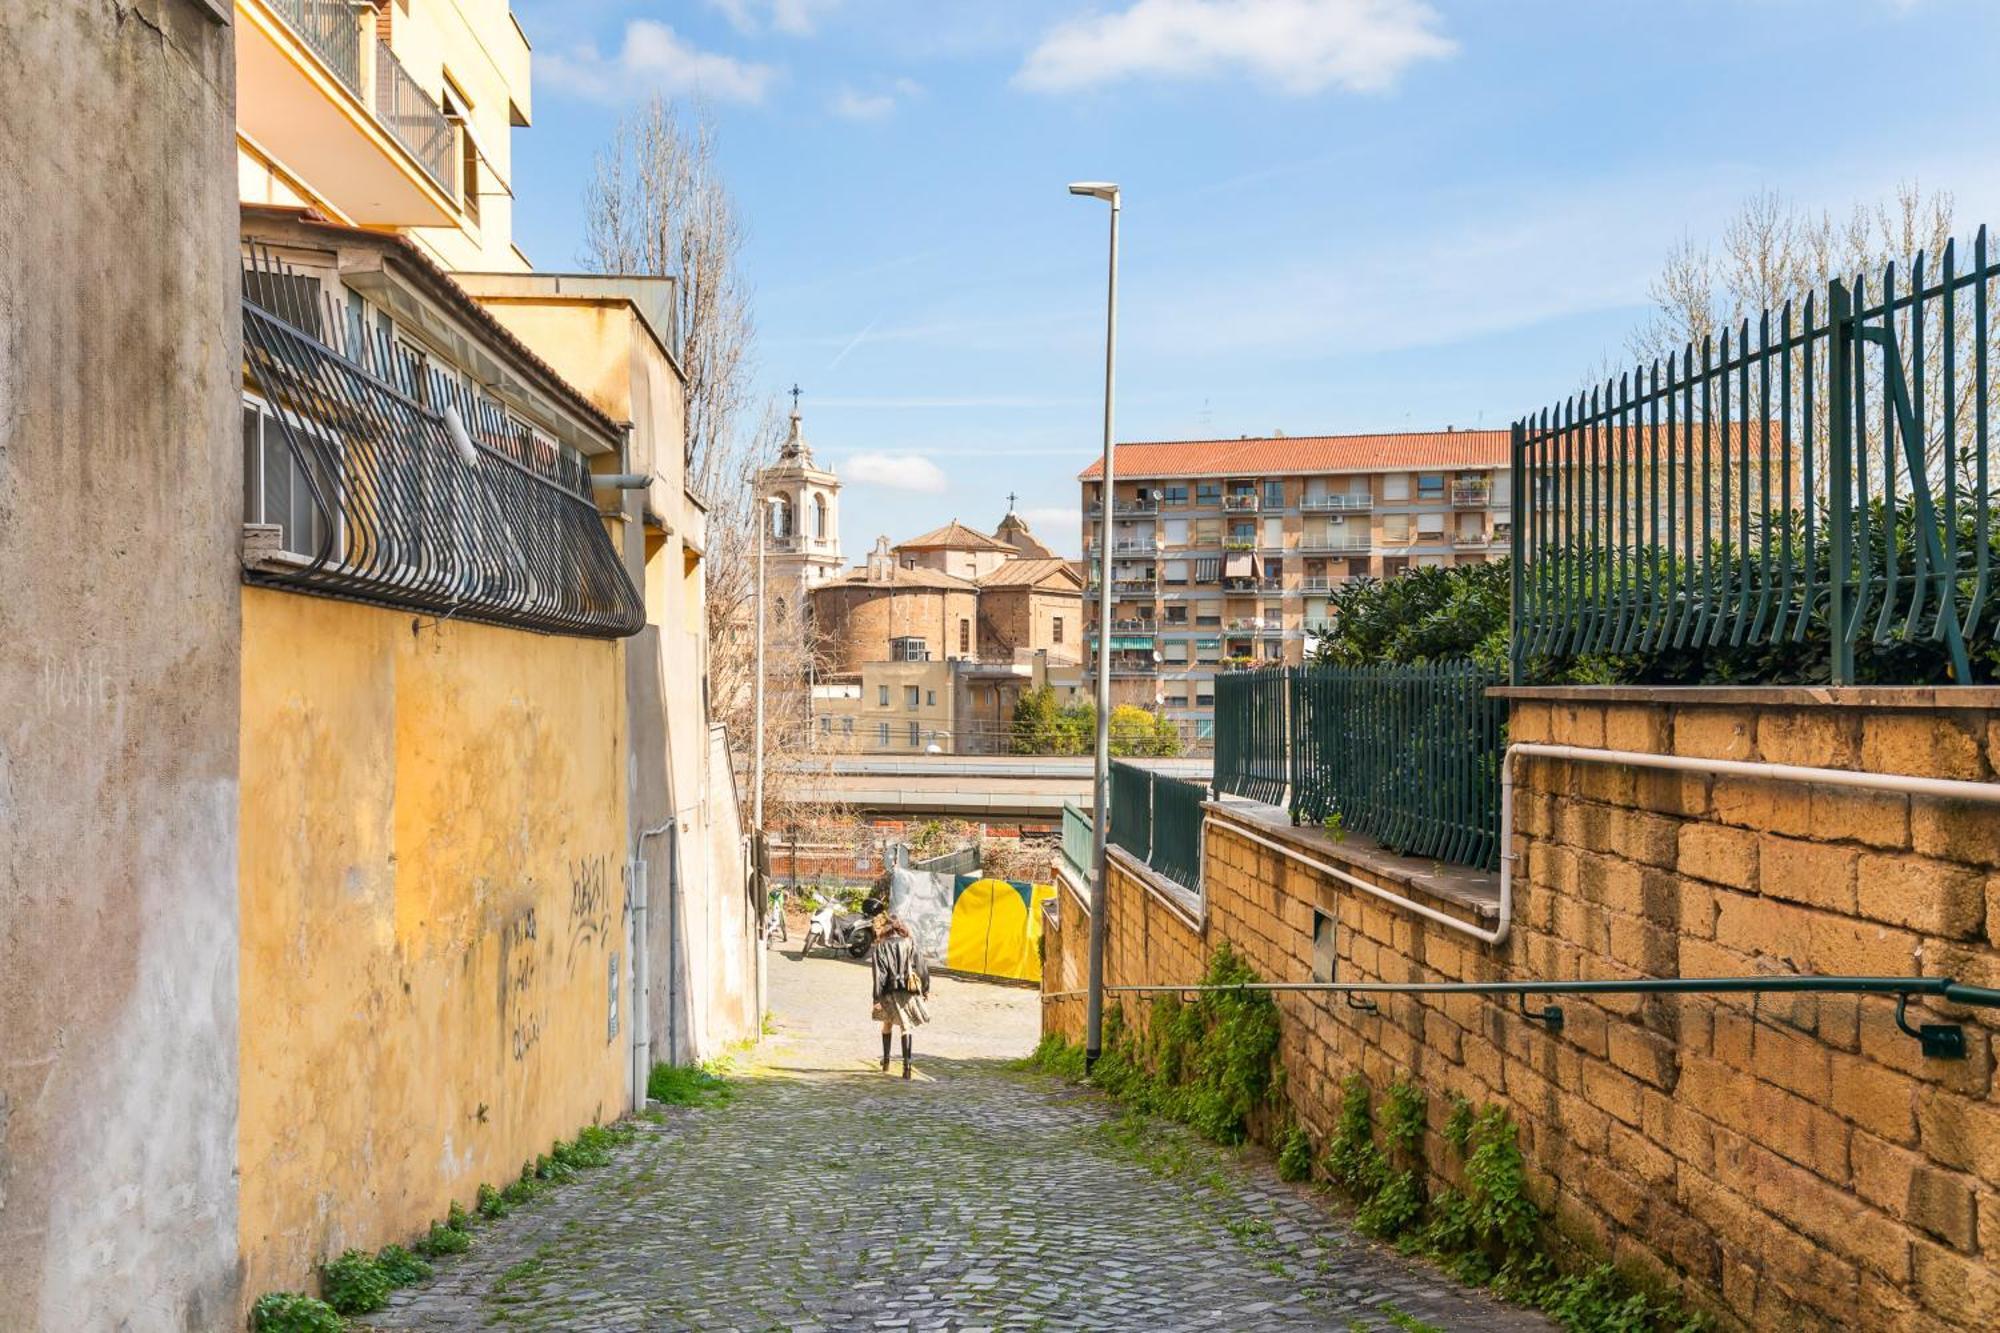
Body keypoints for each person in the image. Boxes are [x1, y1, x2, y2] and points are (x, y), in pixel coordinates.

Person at [870, 915, 931, 1079]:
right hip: (909, 989)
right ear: (901, 928)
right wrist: (925, 989)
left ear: (885, 929)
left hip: (889, 990)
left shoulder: (880, 947)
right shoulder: (910, 942)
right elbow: (922, 967)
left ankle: (887, 1061)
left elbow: (879, 975)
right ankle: (907, 1067)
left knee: (887, 1023)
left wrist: (877, 999)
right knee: (906, 1026)